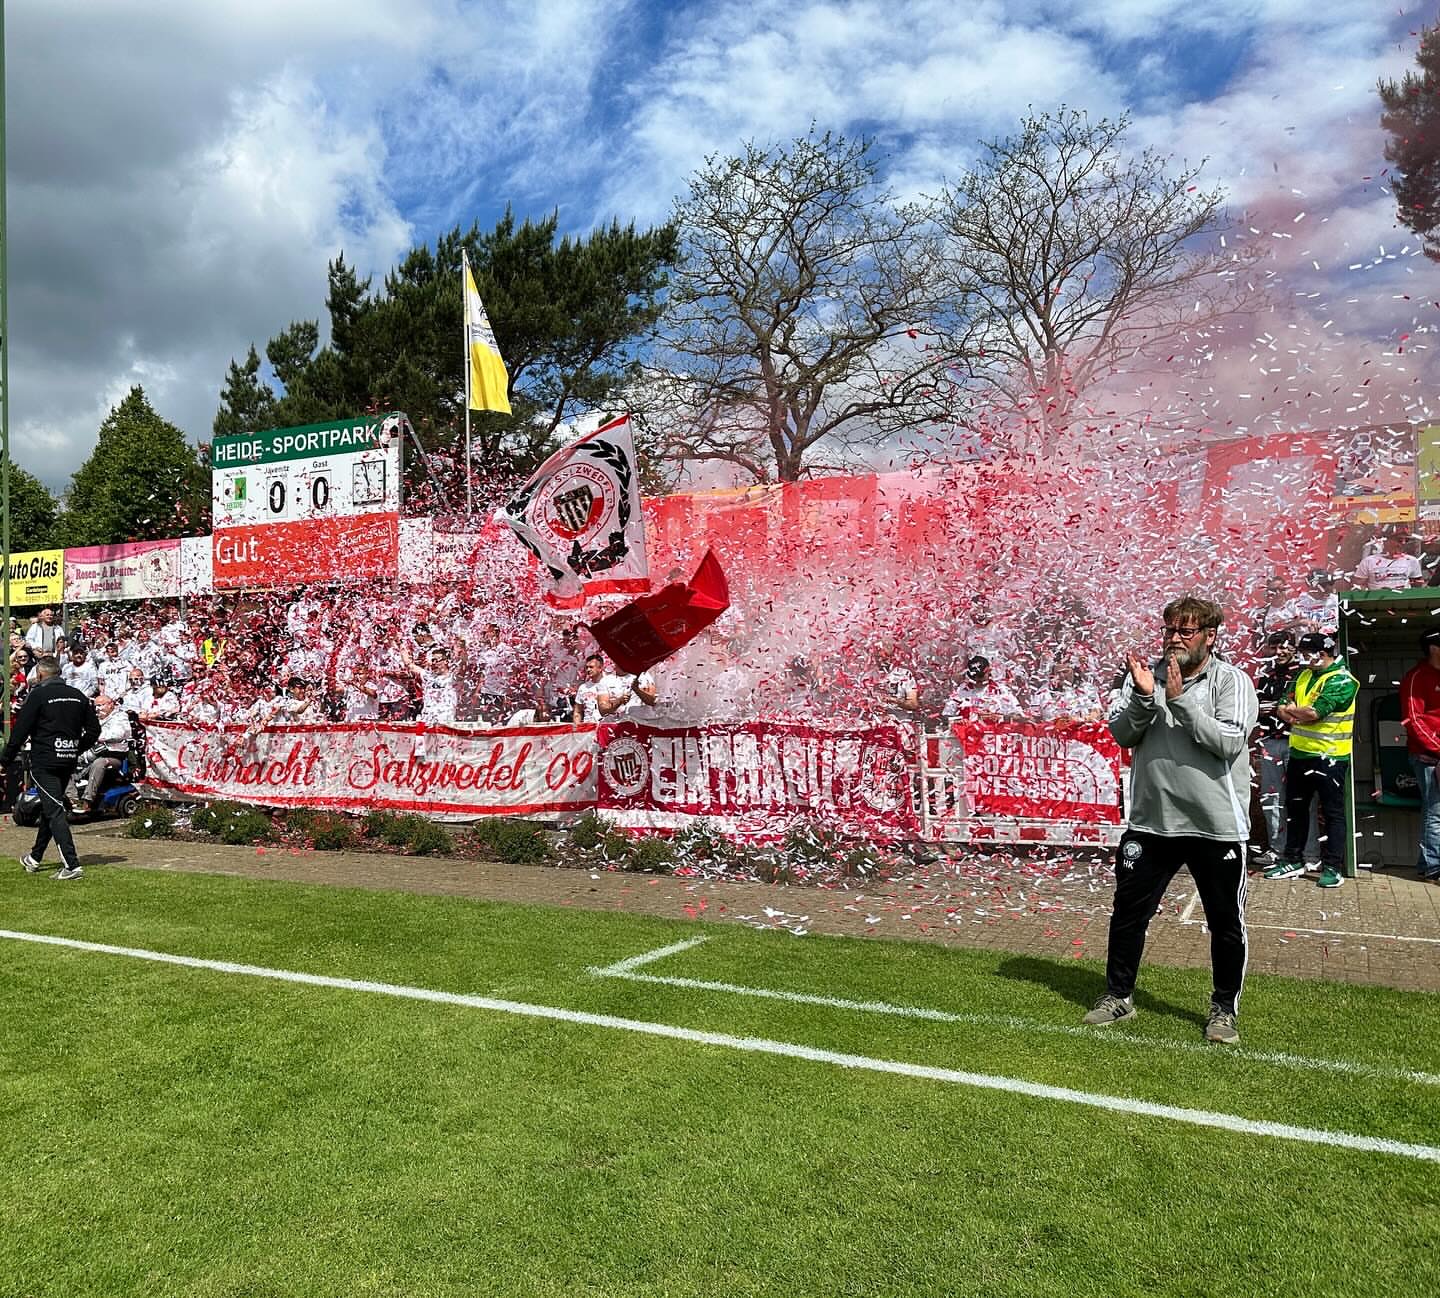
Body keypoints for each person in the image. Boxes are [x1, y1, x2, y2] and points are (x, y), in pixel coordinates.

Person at [1085, 597, 1259, 1044]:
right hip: (1151, 824)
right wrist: (1146, 698)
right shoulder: (1144, 678)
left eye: (1185, 631)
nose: (1174, 639)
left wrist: (1179, 703)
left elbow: (1228, 742)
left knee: (1225, 923)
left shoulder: (1232, 681)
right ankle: (1118, 996)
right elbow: (1122, 734)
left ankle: (1224, 1010)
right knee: (1128, 914)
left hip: (1215, 826)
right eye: (1169, 630)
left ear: (1210, 636)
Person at [1265, 632, 1358, 889]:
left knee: (1332, 813)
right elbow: (1282, 706)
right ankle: (1293, 860)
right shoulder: (1303, 674)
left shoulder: (1343, 679)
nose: (1302, 659)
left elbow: (1315, 712)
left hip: (1330, 757)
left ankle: (1332, 867)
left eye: (1307, 654)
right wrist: (1294, 712)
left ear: (1323, 654)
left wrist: (1294, 712)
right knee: (1295, 809)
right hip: (1299, 754)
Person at [0, 655, 100, 880]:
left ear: (40, 674)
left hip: (44, 760)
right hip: (67, 759)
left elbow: (19, 732)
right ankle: (35, 857)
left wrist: (4, 761)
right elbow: (94, 730)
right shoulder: (78, 695)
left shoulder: (38, 695)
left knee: (54, 810)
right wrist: (76, 748)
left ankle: (72, 865)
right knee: (50, 807)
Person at [1252, 631, 1300, 865]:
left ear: (1294, 648)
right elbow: (1258, 707)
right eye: (1274, 647)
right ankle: (1277, 849)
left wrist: (1278, 709)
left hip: (1296, 741)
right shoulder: (1266, 676)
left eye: (1284, 647)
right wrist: (1273, 708)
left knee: (1299, 799)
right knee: (1271, 798)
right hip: (1270, 741)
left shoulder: (1303, 674)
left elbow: (1298, 709)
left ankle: (1305, 852)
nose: (1279, 652)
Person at [1400, 627, 1440, 881]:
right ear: (1434, 648)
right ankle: (1432, 865)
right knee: (1436, 810)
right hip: (1428, 756)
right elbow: (1412, 720)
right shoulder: (1416, 677)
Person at [69, 694, 133, 815]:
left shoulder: (120, 717)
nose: (98, 709)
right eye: (96, 706)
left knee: (99, 763)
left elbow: (119, 734)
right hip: (90, 754)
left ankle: (87, 801)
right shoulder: (94, 718)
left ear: (110, 704)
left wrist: (95, 736)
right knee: (65, 763)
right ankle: (73, 800)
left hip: (114, 757)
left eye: (101, 705)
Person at [941, 655, 1020, 721]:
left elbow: (1018, 715)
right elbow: (946, 715)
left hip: (997, 732)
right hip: (968, 732)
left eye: (981, 675)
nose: (977, 679)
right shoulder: (960, 691)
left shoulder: (1002, 690)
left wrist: (1000, 717)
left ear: (989, 671)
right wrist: (961, 720)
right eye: (974, 676)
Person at [1352, 531, 1423, 590]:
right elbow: (1358, 584)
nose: (1403, 543)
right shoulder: (1369, 561)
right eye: (1399, 540)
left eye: (1406, 540)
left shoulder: (1411, 560)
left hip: (1402, 598)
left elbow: (1418, 584)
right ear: (1387, 541)